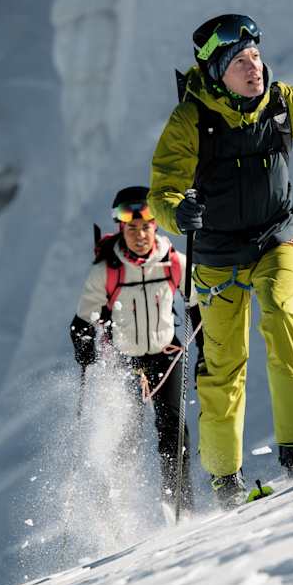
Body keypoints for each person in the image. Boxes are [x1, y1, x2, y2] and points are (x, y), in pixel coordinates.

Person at [147, 14, 293, 510]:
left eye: (256, 57)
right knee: (224, 365)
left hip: (277, 239)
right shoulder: (190, 121)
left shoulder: (285, 104)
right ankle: (226, 481)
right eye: (241, 61)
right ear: (217, 71)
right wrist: (178, 212)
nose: (254, 68)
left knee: (285, 320)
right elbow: (162, 192)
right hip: (219, 257)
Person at [68, 186, 201, 513]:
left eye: (146, 227)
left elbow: (198, 308)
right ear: (120, 228)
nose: (140, 235)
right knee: (124, 439)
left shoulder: (174, 263)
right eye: (132, 228)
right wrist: (84, 345)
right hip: (124, 361)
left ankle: (178, 505)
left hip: (166, 355)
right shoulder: (106, 271)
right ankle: (116, 509)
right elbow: (82, 321)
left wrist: (206, 352)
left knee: (174, 433)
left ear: (155, 225)